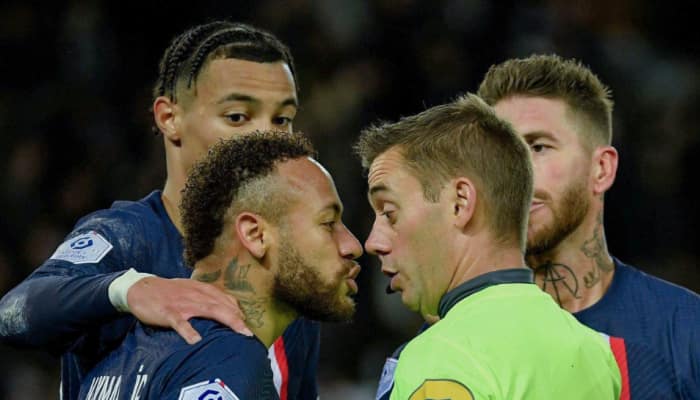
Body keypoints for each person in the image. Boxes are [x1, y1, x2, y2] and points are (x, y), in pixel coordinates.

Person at [0, 21, 321, 400]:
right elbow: (14, 314)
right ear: (170, 118)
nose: (267, 139)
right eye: (237, 117)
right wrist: (129, 289)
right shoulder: (127, 236)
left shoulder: (286, 272)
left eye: (282, 119)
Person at [356, 93, 621, 399]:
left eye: (389, 213)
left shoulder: (442, 355)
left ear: (460, 203)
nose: (372, 242)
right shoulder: (595, 352)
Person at [477, 54, 700, 398]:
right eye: (499, 154)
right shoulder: (454, 344)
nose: (513, 173)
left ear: (602, 170)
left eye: (538, 147)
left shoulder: (686, 330)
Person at [78, 131, 361, 399]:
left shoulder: (116, 362)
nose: (352, 245)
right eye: (328, 223)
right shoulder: (230, 362)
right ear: (255, 235)